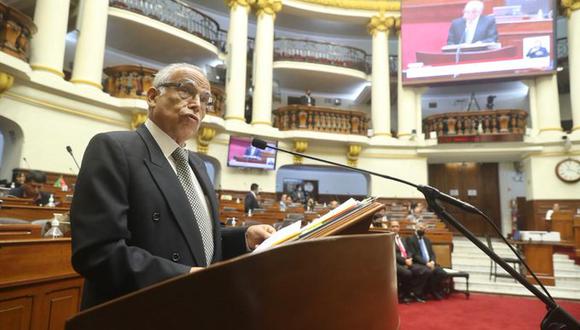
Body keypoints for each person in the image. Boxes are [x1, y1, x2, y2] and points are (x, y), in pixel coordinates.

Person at [70, 63, 275, 310]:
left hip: (193, 309)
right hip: (137, 313)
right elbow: (97, 253)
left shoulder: (197, 165)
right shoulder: (114, 149)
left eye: (204, 99)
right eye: (186, 91)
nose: (197, 104)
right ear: (153, 96)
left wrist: (244, 236)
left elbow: (192, 236)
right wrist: (185, 276)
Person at [390, 220, 429, 303]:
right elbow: (393, 254)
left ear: (399, 228)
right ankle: (404, 295)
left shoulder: (402, 239)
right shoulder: (388, 239)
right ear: (389, 228)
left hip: (408, 261)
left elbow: (409, 251)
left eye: (397, 226)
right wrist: (405, 261)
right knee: (407, 273)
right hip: (395, 263)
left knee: (425, 270)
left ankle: (415, 293)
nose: (395, 228)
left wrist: (409, 258)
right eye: (393, 226)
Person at [406, 223, 447, 300]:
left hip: (430, 264)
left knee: (442, 273)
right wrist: (426, 263)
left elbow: (432, 253)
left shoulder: (427, 240)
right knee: (428, 271)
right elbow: (414, 255)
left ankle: (432, 290)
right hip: (418, 264)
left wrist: (432, 262)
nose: (422, 229)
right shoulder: (410, 239)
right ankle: (418, 293)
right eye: (420, 228)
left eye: (424, 228)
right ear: (415, 228)